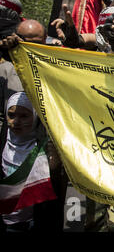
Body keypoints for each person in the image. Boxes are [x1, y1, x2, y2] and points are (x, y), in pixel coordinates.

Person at [0, 92, 59, 232]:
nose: (16, 122)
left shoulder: (44, 149)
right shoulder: (2, 145)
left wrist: (53, 167)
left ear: (35, 116)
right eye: (11, 115)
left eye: (24, 116)